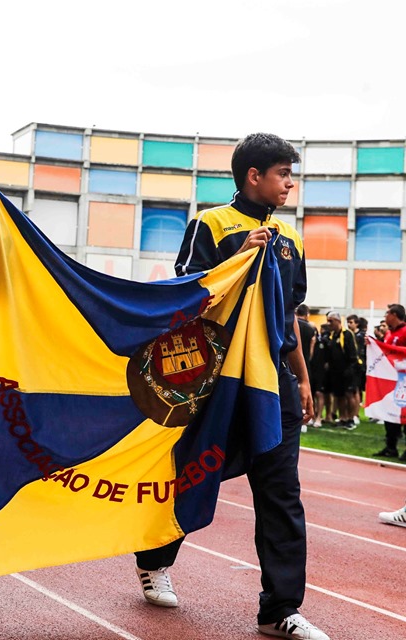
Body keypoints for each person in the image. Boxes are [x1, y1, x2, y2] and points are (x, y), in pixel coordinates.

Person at [138, 133, 328, 640]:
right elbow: (188, 295)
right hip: (219, 383)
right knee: (195, 476)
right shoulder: (213, 223)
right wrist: (235, 260)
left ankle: (279, 611)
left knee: (282, 495)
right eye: (283, 174)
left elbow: (288, 316)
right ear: (253, 176)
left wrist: (303, 379)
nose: (290, 183)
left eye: (291, 174)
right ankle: (153, 560)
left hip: (274, 384)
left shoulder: (292, 240)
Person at [375, 303, 406, 459]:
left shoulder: (404, 332)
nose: (385, 317)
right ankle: (391, 446)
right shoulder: (388, 334)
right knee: (390, 413)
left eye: (387, 313)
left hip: (403, 380)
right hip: (390, 380)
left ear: (394, 314)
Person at [324, 311, 358, 429]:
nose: (329, 323)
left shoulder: (347, 334)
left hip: (347, 370)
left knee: (349, 394)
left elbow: (353, 353)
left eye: (331, 321)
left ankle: (351, 419)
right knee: (339, 396)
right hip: (335, 371)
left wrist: (350, 368)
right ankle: (343, 417)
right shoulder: (333, 335)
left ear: (338, 321)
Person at [309, 323, 329, 428]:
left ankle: (319, 417)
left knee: (319, 393)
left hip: (320, 372)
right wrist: (312, 345)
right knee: (311, 394)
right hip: (310, 371)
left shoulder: (323, 342)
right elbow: (309, 358)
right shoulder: (309, 343)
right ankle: (312, 416)